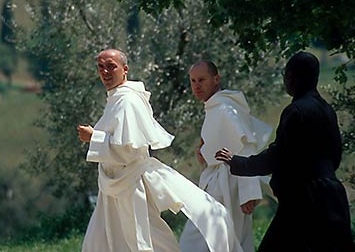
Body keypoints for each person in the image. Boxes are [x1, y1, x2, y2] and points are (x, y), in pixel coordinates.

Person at [77, 48, 242, 252]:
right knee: (102, 240)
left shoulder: (128, 100)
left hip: (130, 185)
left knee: (145, 241)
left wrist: (94, 137)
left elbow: (130, 150)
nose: (105, 72)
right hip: (112, 186)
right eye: (101, 67)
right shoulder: (116, 98)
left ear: (125, 69)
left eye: (111, 66)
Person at [215, 51, 355, 252]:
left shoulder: (296, 111)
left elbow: (278, 156)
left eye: (287, 75)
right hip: (332, 199)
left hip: (303, 204)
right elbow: (335, 156)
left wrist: (238, 162)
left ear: (293, 77)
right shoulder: (327, 110)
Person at [179, 60, 273, 252]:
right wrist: (204, 155)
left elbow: (246, 147)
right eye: (193, 81)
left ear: (216, 79)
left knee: (203, 242)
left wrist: (249, 193)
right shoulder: (215, 107)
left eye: (202, 80)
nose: (197, 85)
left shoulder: (225, 110)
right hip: (217, 184)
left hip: (230, 186)